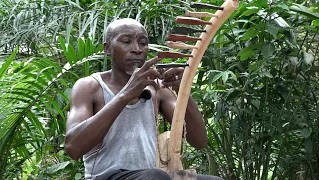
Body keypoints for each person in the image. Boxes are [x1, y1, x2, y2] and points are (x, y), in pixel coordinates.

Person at [64, 18, 223, 180]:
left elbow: (199, 141)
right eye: (126, 41)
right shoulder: (90, 87)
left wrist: (183, 90)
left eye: (143, 43)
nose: (136, 49)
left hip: (151, 176)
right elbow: (73, 147)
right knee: (154, 176)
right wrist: (125, 95)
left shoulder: (157, 88)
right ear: (107, 48)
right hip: (105, 176)